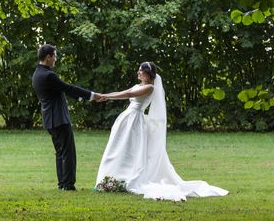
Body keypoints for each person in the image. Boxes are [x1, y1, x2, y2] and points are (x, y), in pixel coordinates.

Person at [95, 61, 228, 201]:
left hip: (135, 120)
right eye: (139, 70)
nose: (138, 72)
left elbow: (128, 94)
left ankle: (122, 179)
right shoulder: (138, 85)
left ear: (148, 73)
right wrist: (104, 95)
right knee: (118, 148)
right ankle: (112, 178)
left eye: (141, 70)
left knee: (129, 149)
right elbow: (125, 92)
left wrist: (107, 96)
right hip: (127, 118)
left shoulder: (150, 88)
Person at [32, 44, 103, 191]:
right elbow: (68, 88)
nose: (55, 60)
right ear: (48, 57)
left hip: (50, 119)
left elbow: (63, 91)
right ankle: (68, 185)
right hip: (58, 118)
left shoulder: (37, 74)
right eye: (55, 56)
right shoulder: (49, 75)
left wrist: (85, 97)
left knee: (60, 152)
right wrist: (92, 95)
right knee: (68, 152)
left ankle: (62, 184)